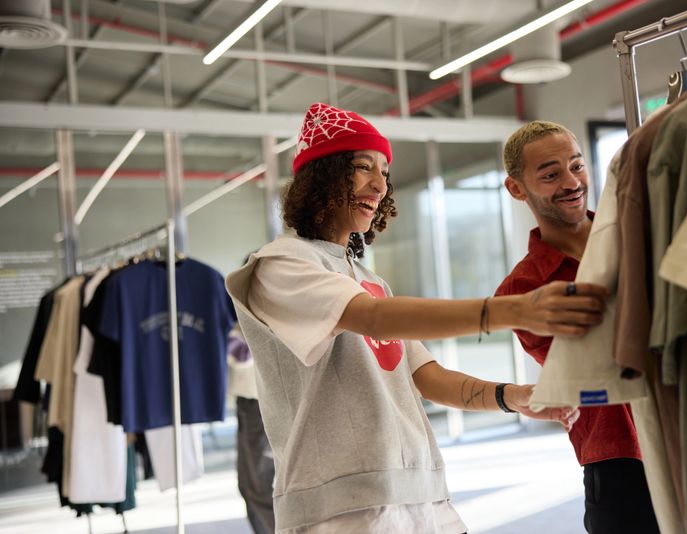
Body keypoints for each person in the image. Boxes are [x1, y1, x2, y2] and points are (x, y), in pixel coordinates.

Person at [225, 102, 607, 533]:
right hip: (342, 510)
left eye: (385, 172)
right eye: (363, 167)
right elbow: (372, 318)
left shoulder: (368, 279)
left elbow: (426, 377)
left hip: (420, 495)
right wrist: (515, 309)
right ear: (323, 176)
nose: (379, 185)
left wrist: (510, 396)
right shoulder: (280, 265)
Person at [494, 120, 659, 534]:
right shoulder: (520, 291)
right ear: (517, 188)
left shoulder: (639, 232)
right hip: (620, 462)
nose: (572, 182)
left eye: (577, 166)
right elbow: (594, 370)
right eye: (550, 174)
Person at [228, 323, 276, 534]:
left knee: (259, 486)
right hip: (251, 398)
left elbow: (244, 353)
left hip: (259, 397)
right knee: (249, 486)